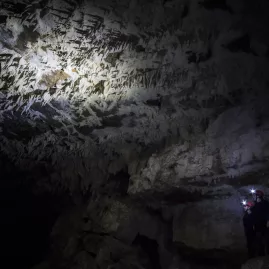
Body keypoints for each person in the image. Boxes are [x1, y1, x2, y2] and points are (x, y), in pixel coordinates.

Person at [251, 190, 269, 256]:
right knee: (259, 240)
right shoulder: (255, 204)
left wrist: (268, 220)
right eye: (256, 195)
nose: (257, 196)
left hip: (264, 224)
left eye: (258, 195)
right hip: (257, 225)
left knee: (266, 240)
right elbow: (253, 214)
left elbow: (267, 212)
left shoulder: (265, 203)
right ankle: (261, 254)